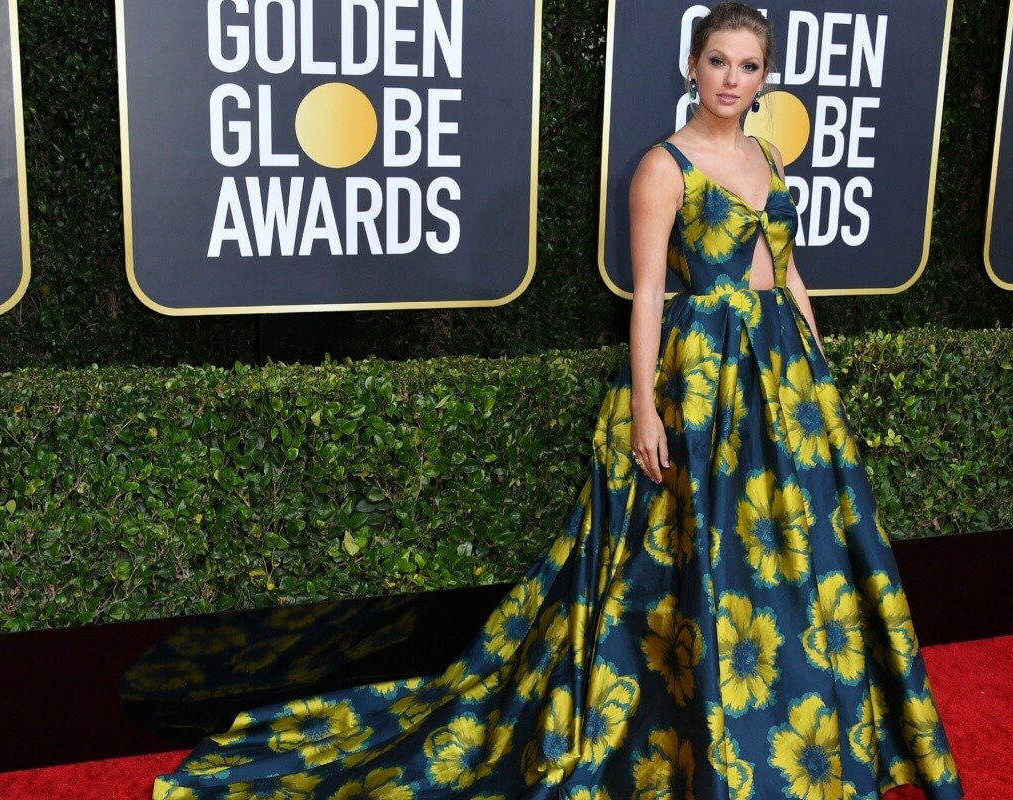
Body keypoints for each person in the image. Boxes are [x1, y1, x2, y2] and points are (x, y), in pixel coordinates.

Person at [154, 3, 964, 798]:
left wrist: (817, 369)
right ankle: (705, 744)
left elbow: (786, 272)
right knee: (705, 561)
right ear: (692, 65)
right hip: (704, 379)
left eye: (748, 65)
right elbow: (647, 295)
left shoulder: (770, 159)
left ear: (766, 77)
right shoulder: (663, 165)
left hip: (783, 384)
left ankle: (806, 733)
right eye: (718, 60)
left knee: (801, 560)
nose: (731, 78)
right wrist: (647, 409)